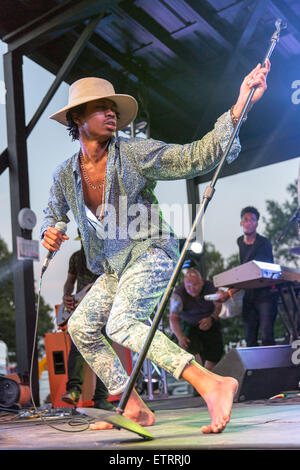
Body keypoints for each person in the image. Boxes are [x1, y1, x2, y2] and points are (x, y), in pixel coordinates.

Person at [41, 61, 270, 434]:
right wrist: (51, 231)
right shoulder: (65, 175)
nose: (111, 111)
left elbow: (195, 155)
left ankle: (211, 383)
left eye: (113, 106)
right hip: (115, 265)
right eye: (101, 106)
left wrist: (240, 104)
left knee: (122, 322)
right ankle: (133, 406)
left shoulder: (133, 153)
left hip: (151, 251)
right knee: (81, 325)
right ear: (77, 119)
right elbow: (53, 214)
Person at [61, 232, 115, 411]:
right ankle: (73, 391)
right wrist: (67, 296)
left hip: (104, 308)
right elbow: (70, 282)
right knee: (77, 349)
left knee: (104, 351)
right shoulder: (76, 258)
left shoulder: (108, 257)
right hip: (82, 309)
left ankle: (101, 397)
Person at [237, 206, 278, 347]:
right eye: (245, 220)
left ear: (257, 223)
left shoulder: (264, 242)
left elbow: (260, 268)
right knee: (249, 337)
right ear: (241, 223)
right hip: (249, 295)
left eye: (252, 220)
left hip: (265, 294)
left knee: (267, 335)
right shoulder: (239, 242)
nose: (249, 223)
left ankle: (271, 368)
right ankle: (254, 369)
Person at [170, 268, 223, 371]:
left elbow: (219, 306)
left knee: (214, 355)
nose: (192, 288)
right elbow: (173, 318)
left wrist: (211, 318)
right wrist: (180, 336)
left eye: (195, 285)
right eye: (188, 286)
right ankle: (199, 375)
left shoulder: (211, 287)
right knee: (192, 355)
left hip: (209, 322)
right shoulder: (178, 295)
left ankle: (208, 374)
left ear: (202, 282)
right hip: (189, 325)